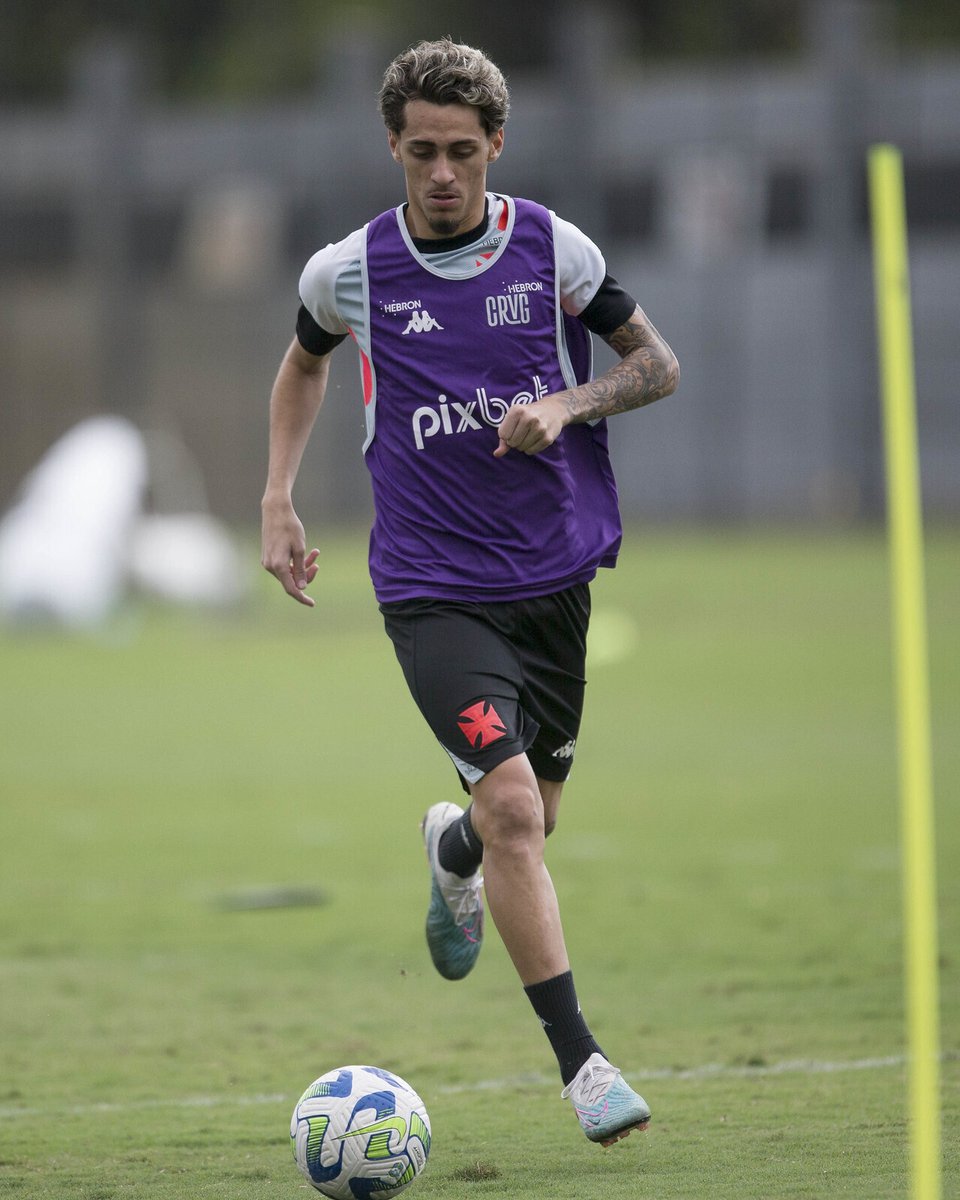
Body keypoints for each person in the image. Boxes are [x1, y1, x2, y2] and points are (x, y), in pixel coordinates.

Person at [261, 37, 679, 1146]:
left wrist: (568, 405)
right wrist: (277, 496)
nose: (442, 174)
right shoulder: (349, 270)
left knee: (526, 822)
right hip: (431, 586)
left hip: (551, 579)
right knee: (515, 810)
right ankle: (584, 1066)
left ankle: (452, 852)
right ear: (393, 148)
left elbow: (657, 364)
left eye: (461, 151)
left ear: (497, 144)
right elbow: (303, 363)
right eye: (420, 153)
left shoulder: (551, 249)